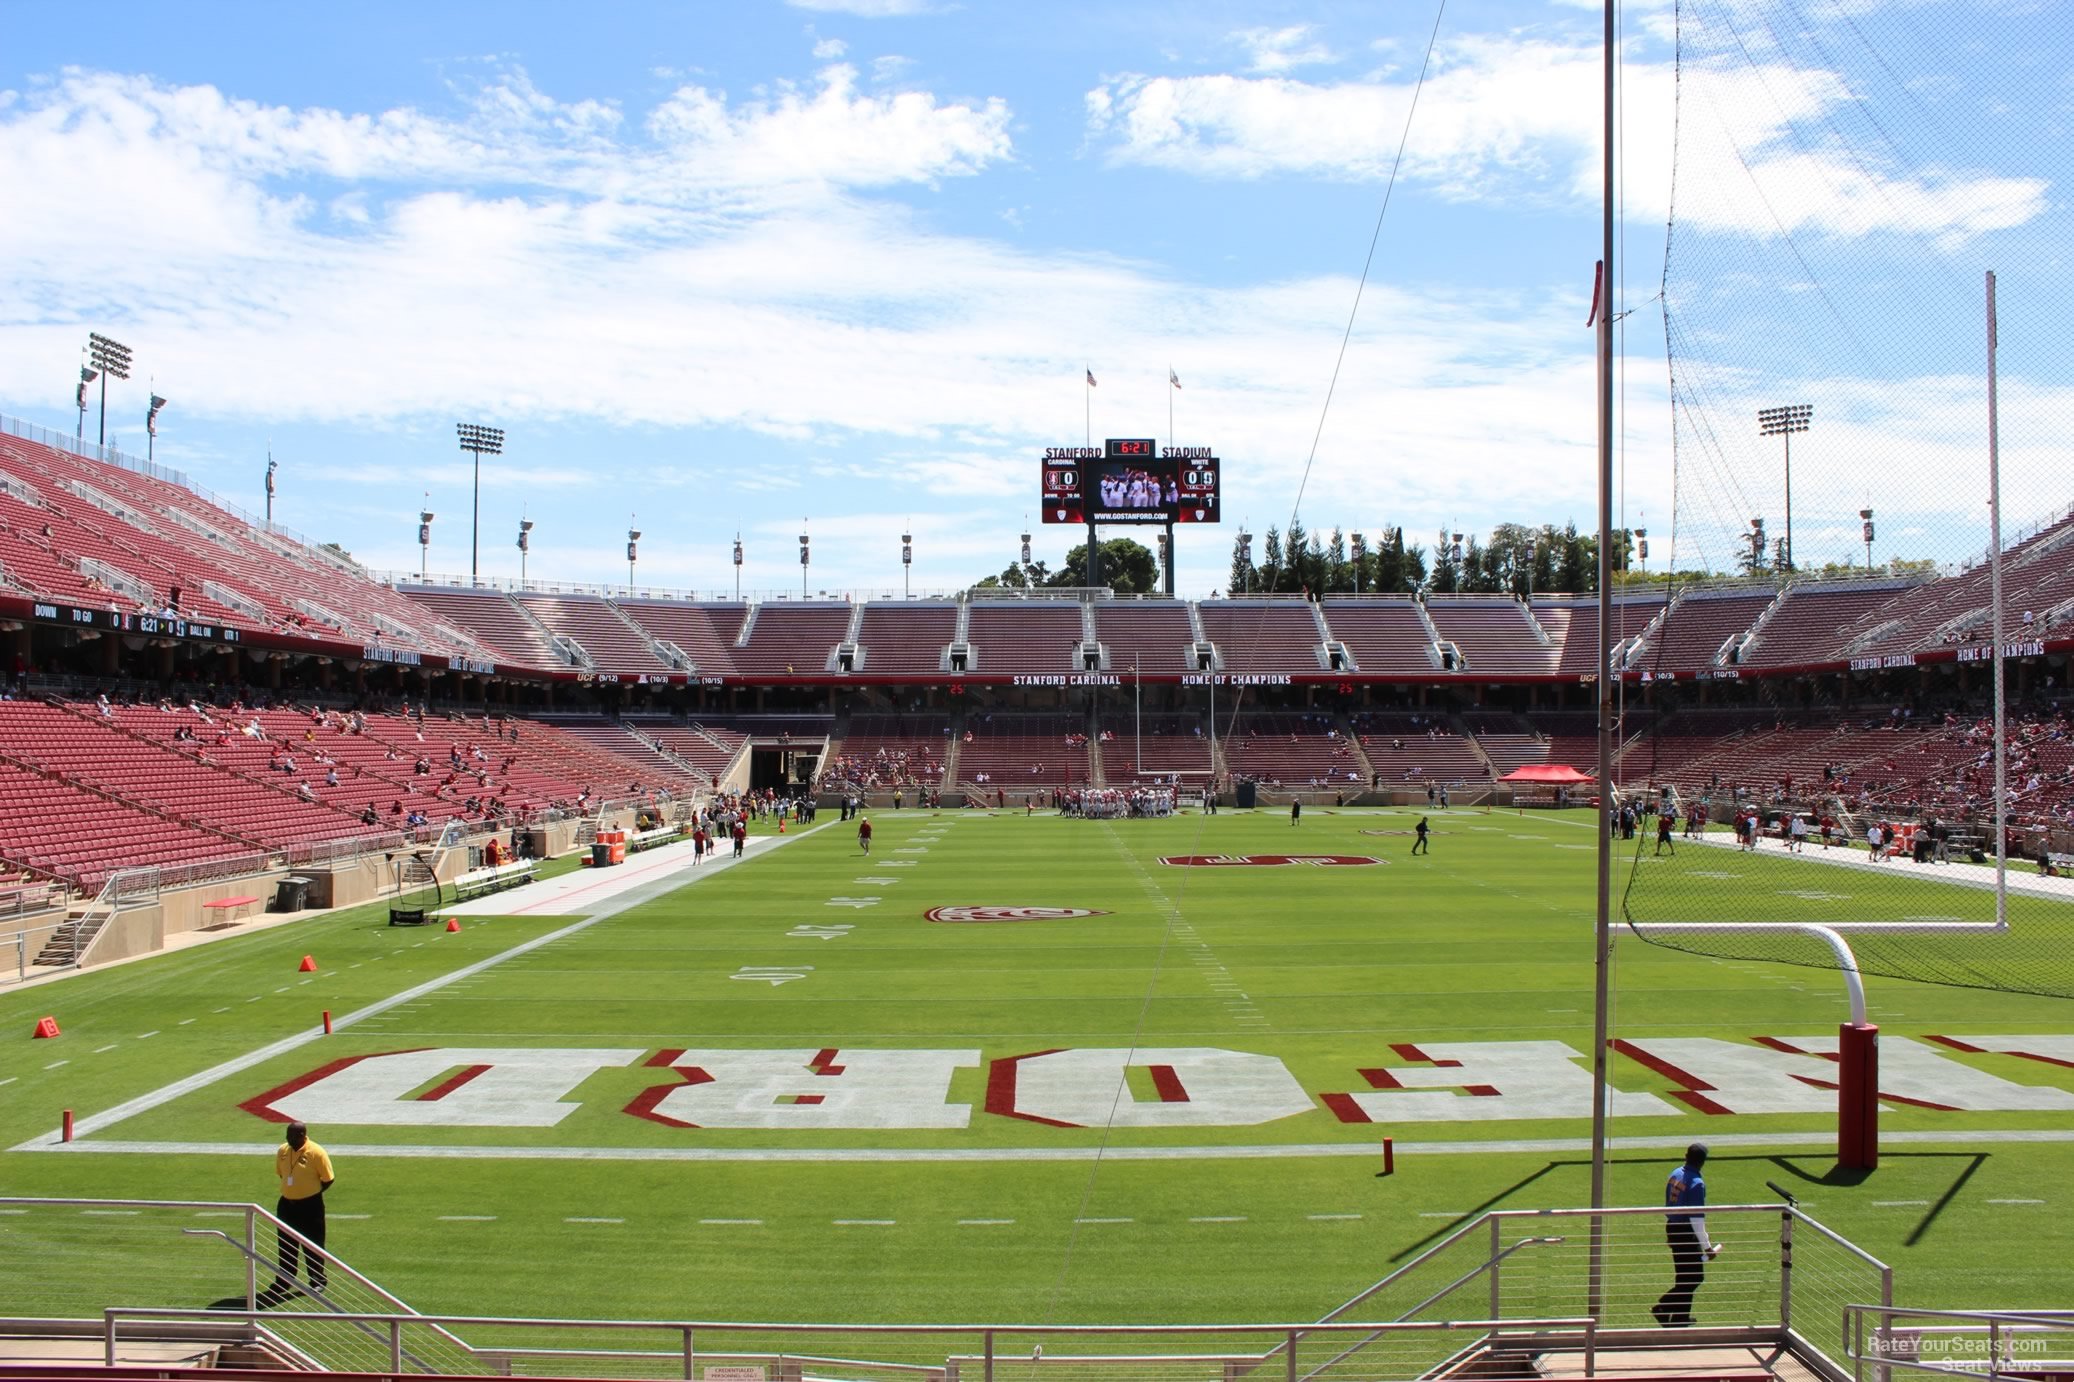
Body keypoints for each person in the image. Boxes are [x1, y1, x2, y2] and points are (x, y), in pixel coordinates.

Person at [261, 1121, 334, 1305]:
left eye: (292, 1136)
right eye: (287, 1135)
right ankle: (284, 1280)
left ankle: (317, 1280)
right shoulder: (283, 1151)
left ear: (302, 1134)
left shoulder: (316, 1152)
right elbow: (281, 1174)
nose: (288, 1139)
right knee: (286, 1243)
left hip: (311, 1206)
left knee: (313, 1243)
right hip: (286, 1204)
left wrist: (309, 1193)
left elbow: (328, 1179)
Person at [1652, 1142, 1720, 1327]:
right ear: (1703, 1162)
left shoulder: (1676, 1173)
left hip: (1673, 1226)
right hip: (1686, 1231)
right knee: (1695, 1277)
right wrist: (1707, 1246)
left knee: (1684, 1276)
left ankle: (1680, 1318)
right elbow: (1696, 1219)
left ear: (1686, 1155)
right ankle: (1663, 1307)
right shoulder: (1697, 1183)